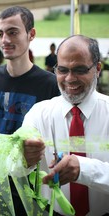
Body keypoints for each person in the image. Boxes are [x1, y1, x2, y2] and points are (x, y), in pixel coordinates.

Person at [0, 6, 60, 216]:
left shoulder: (49, 84)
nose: (4, 39)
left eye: (12, 32)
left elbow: (56, 136)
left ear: (31, 34)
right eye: (0, 33)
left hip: (27, 185)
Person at [22, 35, 109, 215]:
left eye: (79, 70)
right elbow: (14, 168)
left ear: (98, 69)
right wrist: (24, 159)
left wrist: (83, 169)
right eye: (62, 70)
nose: (70, 78)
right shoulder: (38, 114)